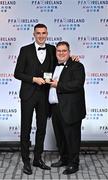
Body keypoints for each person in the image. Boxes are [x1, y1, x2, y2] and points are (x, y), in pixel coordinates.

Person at [14, 23, 78, 175]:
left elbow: (62, 62)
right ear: (34, 34)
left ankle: (37, 158)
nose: (41, 36)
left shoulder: (51, 49)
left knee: (41, 128)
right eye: (38, 33)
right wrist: (33, 79)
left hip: (44, 96)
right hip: (28, 95)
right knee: (26, 128)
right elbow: (17, 73)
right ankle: (26, 161)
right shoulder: (25, 50)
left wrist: (73, 57)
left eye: (44, 33)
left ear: (47, 34)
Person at [48, 41, 86, 174]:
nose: (61, 53)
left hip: (71, 109)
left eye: (64, 51)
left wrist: (59, 84)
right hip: (55, 108)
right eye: (59, 51)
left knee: (72, 138)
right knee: (60, 137)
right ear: (56, 52)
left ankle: (73, 163)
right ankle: (64, 159)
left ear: (69, 52)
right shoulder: (53, 66)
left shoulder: (77, 66)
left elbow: (77, 84)